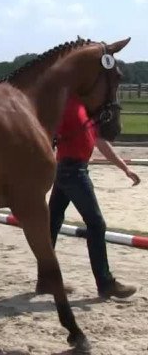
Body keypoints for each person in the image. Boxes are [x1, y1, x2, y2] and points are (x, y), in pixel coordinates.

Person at [37, 94, 141, 299]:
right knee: (96, 224)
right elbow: (47, 132)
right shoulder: (69, 105)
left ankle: (45, 280)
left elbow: (100, 142)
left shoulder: (84, 107)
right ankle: (105, 282)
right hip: (72, 171)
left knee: (52, 223)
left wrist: (125, 169)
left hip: (69, 170)